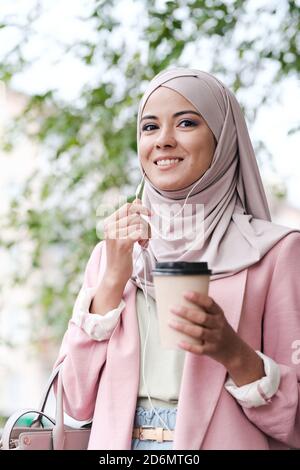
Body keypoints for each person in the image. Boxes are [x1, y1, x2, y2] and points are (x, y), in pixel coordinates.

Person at [53, 68, 300, 450]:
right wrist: (111, 282)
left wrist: (232, 350)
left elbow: (293, 421)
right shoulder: (113, 252)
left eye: (186, 122)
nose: (164, 141)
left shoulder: (275, 252)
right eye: (149, 127)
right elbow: (74, 401)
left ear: (223, 138)